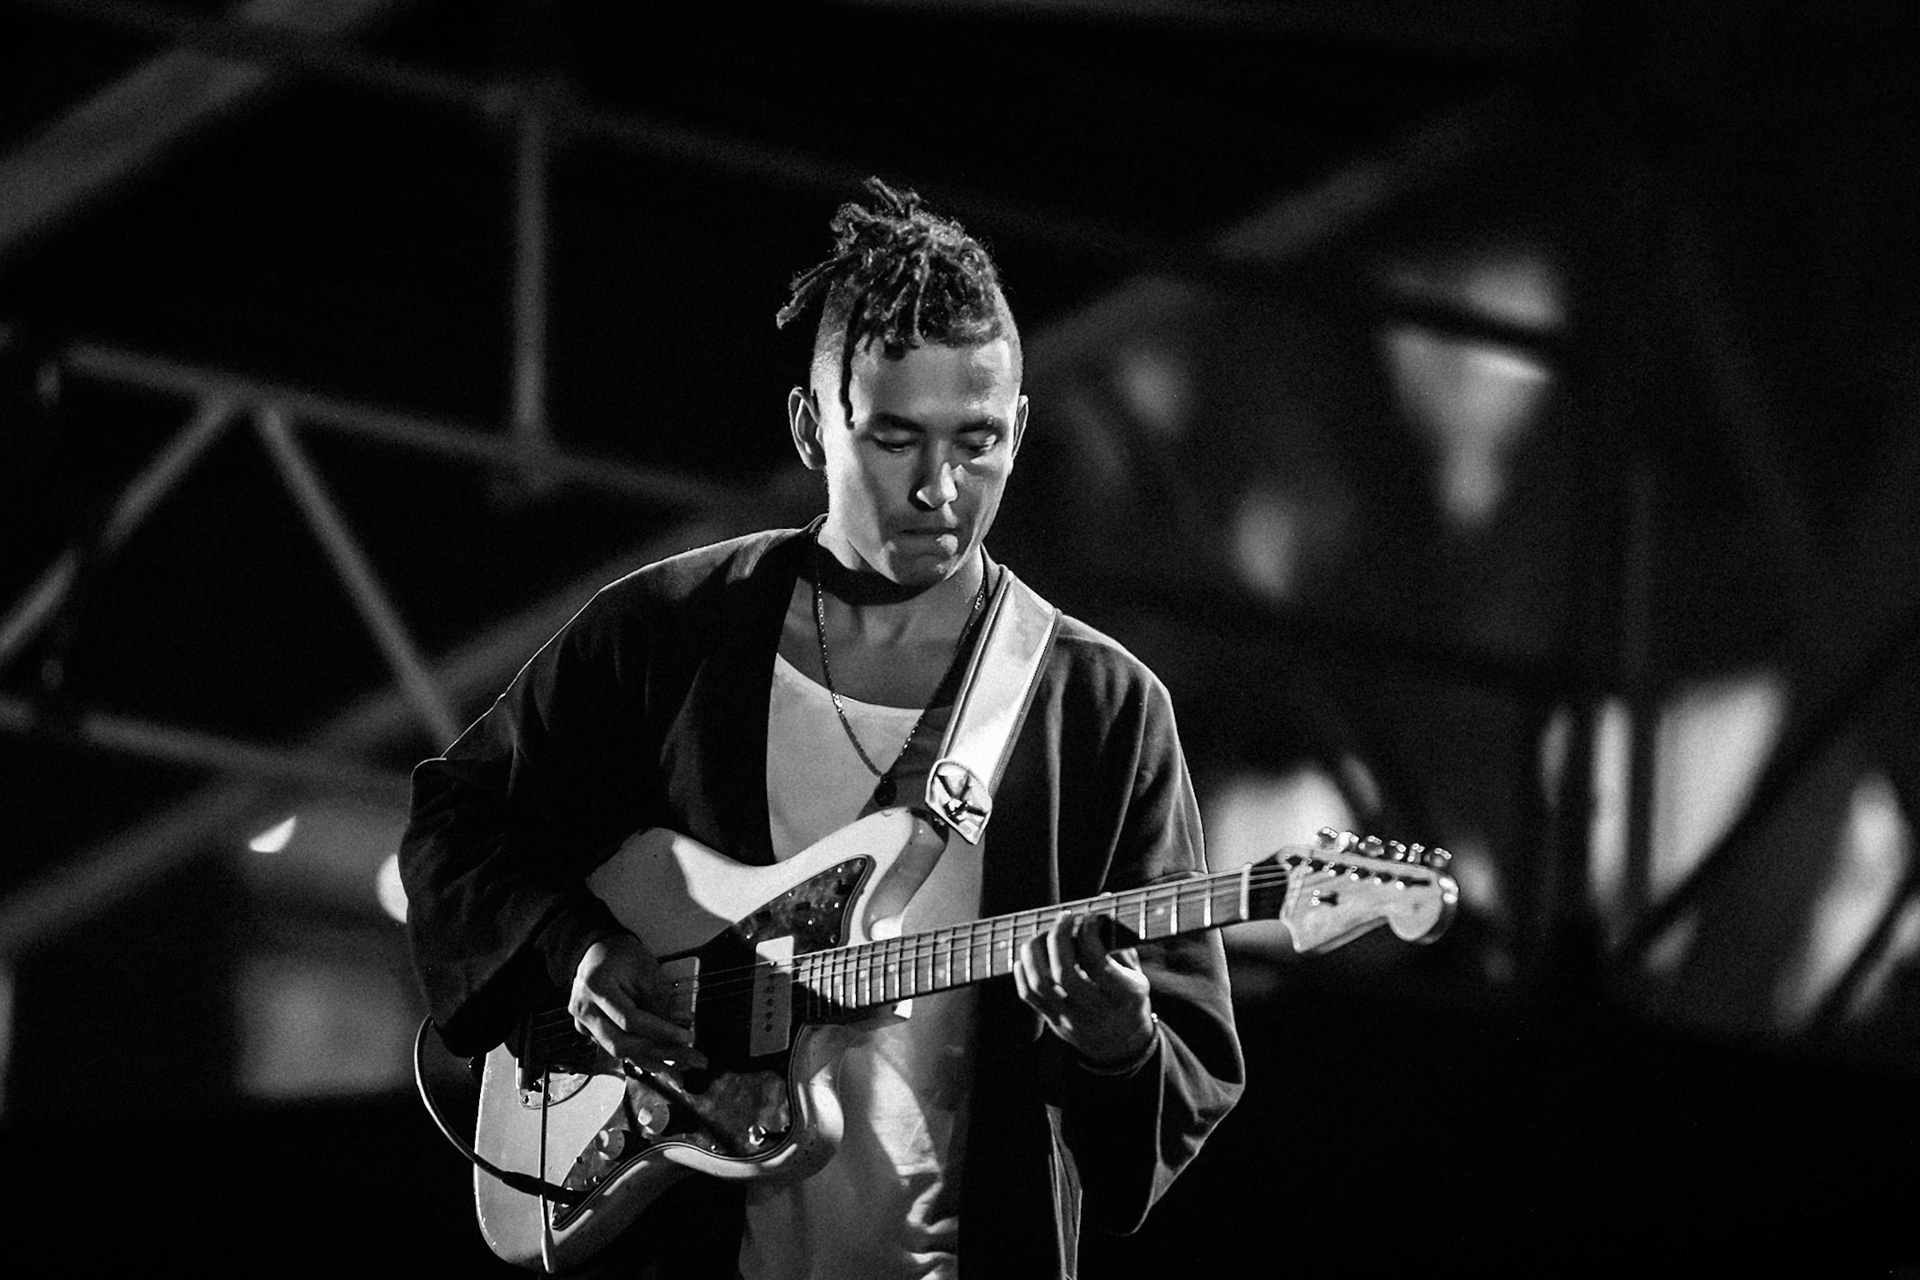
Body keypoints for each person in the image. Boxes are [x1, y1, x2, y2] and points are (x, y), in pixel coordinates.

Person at [399, 177, 1244, 1278]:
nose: (940, 486)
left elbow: (1180, 1084)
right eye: (896, 438)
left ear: (1023, 428)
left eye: (978, 441)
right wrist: (577, 951)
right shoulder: (669, 635)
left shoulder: (1102, 710)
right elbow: (455, 824)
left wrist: (1120, 1043)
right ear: (812, 425)